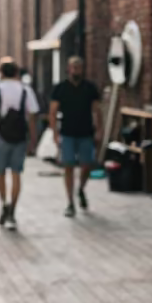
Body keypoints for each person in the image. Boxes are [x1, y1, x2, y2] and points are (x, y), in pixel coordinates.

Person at [0, 59, 40, 230]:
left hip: (1, 135)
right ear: (16, 73)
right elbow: (32, 116)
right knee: (16, 174)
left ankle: (4, 204)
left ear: (1, 73)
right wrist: (33, 139)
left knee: (0, 173)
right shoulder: (25, 90)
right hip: (20, 136)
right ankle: (13, 209)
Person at [49, 56, 102, 218]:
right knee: (69, 166)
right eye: (73, 67)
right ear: (68, 69)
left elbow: (97, 110)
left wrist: (99, 129)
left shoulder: (89, 88)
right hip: (68, 133)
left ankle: (81, 189)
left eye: (79, 67)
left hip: (86, 132)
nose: (76, 70)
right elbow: (52, 112)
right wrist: (55, 133)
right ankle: (70, 202)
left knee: (87, 165)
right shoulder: (61, 88)